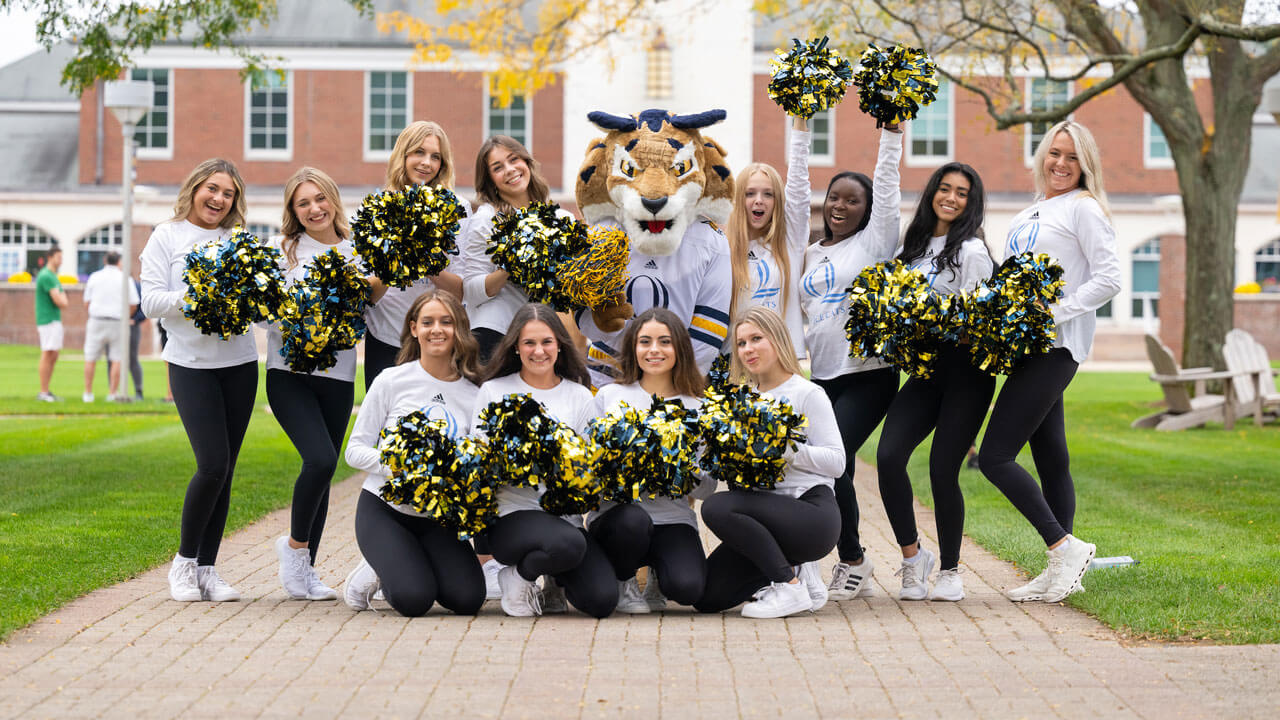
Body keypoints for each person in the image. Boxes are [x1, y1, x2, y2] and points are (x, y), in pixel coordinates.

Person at [978, 120, 1121, 603]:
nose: (1060, 164)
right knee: (1050, 457)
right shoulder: (1035, 210)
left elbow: (1109, 278)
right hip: (1026, 348)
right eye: (1054, 154)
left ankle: (1063, 546)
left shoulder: (1084, 209)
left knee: (996, 455)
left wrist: (1052, 313)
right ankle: (1064, 569)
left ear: (1086, 165)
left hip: (1055, 348)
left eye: (1072, 157)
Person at [875, 163, 995, 602]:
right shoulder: (916, 246)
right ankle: (913, 558)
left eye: (962, 192)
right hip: (925, 372)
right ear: (931, 194)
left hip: (967, 373)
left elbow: (982, 323)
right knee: (889, 457)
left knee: (943, 470)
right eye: (944, 189)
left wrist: (937, 318)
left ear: (972, 202)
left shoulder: (974, 252)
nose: (951, 197)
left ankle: (949, 570)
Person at [141, 158, 257, 603]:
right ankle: (184, 563)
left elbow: (256, 300)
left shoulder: (239, 240)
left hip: (240, 363)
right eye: (212, 188)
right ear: (194, 188)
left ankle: (208, 569)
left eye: (228, 193)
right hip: (190, 363)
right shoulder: (165, 236)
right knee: (211, 463)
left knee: (226, 470)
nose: (219, 199)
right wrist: (201, 297)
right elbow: (151, 300)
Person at [798, 121, 904, 600]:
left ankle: (854, 559)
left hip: (868, 374)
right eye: (834, 198)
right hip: (821, 378)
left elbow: (887, 186)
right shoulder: (809, 253)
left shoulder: (873, 244)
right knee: (823, 465)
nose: (840, 206)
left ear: (868, 211)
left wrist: (892, 135)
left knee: (834, 465)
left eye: (852, 200)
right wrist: (799, 129)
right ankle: (845, 557)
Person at [342, 290, 487, 616]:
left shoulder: (475, 391)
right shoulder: (392, 381)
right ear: (413, 329)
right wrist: (402, 465)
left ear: (459, 329)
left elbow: (478, 456)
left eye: (446, 322)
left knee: (468, 600)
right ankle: (376, 567)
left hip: (439, 518)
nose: (437, 329)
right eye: (428, 322)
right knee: (414, 599)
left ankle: (408, 559)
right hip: (385, 509)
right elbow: (354, 451)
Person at [694, 306, 844, 618]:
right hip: (764, 519)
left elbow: (837, 463)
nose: (747, 349)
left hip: (811, 515)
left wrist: (786, 449)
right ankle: (797, 573)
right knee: (706, 596)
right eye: (741, 343)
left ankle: (788, 584)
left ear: (777, 339)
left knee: (718, 507)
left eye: (756, 339)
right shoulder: (739, 399)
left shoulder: (807, 393)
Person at [474, 303, 616, 618]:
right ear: (515, 347)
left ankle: (554, 578)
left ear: (560, 346)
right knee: (568, 545)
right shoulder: (493, 390)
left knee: (602, 600)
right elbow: (476, 460)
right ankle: (518, 576)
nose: (539, 351)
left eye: (547, 342)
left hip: (563, 520)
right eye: (529, 343)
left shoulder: (579, 395)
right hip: (511, 516)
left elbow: (590, 465)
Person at [267, 167, 364, 601]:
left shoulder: (357, 251)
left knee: (323, 474)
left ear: (333, 200)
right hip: (288, 375)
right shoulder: (282, 250)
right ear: (293, 210)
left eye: (319, 198)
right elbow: (262, 310)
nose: (313, 209)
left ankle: (305, 571)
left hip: (339, 375)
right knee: (321, 460)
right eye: (302, 203)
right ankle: (293, 549)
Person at [586, 308, 711, 613]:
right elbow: (586, 467)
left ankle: (659, 574)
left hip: (673, 519)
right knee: (633, 520)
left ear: (679, 347)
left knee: (688, 588)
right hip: (619, 519)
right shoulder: (609, 396)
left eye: (664, 342)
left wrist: (674, 464)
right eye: (645, 342)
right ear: (633, 347)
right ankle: (624, 579)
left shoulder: (698, 405)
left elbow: (707, 489)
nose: (654, 350)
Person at [362, 120, 466, 392]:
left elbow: (463, 291)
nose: (426, 163)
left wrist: (428, 261)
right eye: (419, 152)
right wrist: (400, 259)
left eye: (436, 156)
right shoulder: (378, 207)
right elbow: (370, 295)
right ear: (403, 155)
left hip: (437, 340)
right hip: (385, 338)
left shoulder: (458, 209)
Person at [458, 135, 553, 362]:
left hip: (540, 337)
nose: (510, 170)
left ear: (527, 162)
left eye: (513, 159)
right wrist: (510, 265)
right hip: (495, 334)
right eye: (498, 167)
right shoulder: (487, 219)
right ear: (490, 180)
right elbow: (470, 290)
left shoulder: (554, 217)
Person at [724, 113, 810, 358]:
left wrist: (800, 118)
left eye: (768, 194)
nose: (759, 200)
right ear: (739, 199)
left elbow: (799, 185)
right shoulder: (723, 249)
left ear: (777, 202)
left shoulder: (789, 242)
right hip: (735, 364)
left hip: (782, 363)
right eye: (750, 193)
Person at [81, 250, 139, 403]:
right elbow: (134, 303)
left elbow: (86, 301)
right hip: (117, 321)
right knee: (117, 358)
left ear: (105, 260)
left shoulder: (94, 277)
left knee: (90, 357)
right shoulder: (125, 278)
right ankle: (112, 393)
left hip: (96, 320)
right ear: (119, 261)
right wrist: (126, 315)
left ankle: (88, 393)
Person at [35, 246, 68, 402]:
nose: (60, 260)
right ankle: (43, 392)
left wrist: (63, 299)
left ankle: (47, 391)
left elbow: (63, 299)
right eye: (58, 257)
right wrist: (62, 299)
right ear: (50, 257)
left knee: (53, 353)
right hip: (47, 319)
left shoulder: (54, 276)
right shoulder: (46, 275)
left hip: (55, 319)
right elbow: (60, 300)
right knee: (47, 353)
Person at [128, 275, 146, 401]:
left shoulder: (135, 286)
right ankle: (113, 392)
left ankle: (138, 391)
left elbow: (142, 308)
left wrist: (134, 319)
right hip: (115, 325)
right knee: (113, 360)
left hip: (132, 325)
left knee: (132, 358)